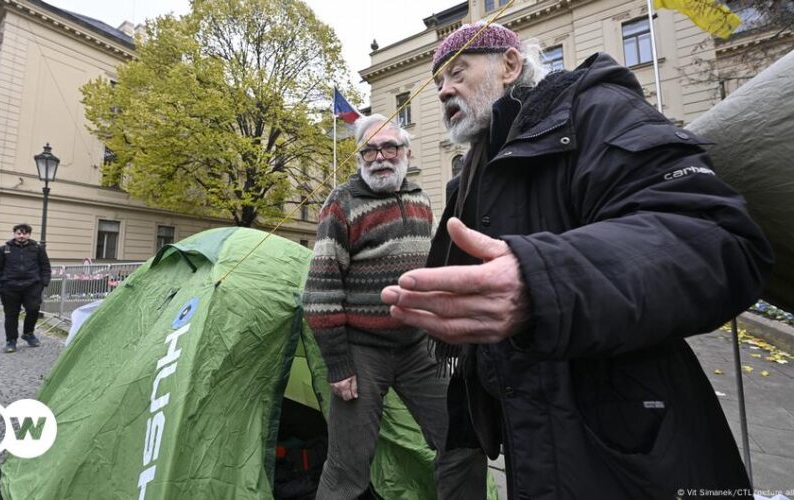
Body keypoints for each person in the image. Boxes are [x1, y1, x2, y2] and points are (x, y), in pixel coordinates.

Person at [380, 22, 774, 499]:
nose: (443, 89)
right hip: (531, 437)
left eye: (457, 72)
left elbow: (717, 239)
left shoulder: (597, 110)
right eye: (439, 80)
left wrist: (540, 282)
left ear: (509, 64)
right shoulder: (474, 168)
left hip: (629, 445)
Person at [303, 114, 487, 499]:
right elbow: (320, 287)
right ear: (359, 159)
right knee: (347, 466)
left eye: (389, 147)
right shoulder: (342, 202)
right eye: (369, 150)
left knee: (463, 441)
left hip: (418, 346)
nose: (379, 157)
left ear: (406, 152)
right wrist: (338, 364)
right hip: (361, 350)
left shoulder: (420, 199)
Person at [0, 223, 51, 353]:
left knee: (33, 309)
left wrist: (43, 282)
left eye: (24, 233)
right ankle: (11, 340)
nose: (21, 236)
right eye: (18, 233)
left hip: (32, 286)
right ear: (14, 234)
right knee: (11, 314)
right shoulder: (3, 250)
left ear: (29, 234)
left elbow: (45, 266)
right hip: (9, 287)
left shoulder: (38, 249)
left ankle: (28, 333)